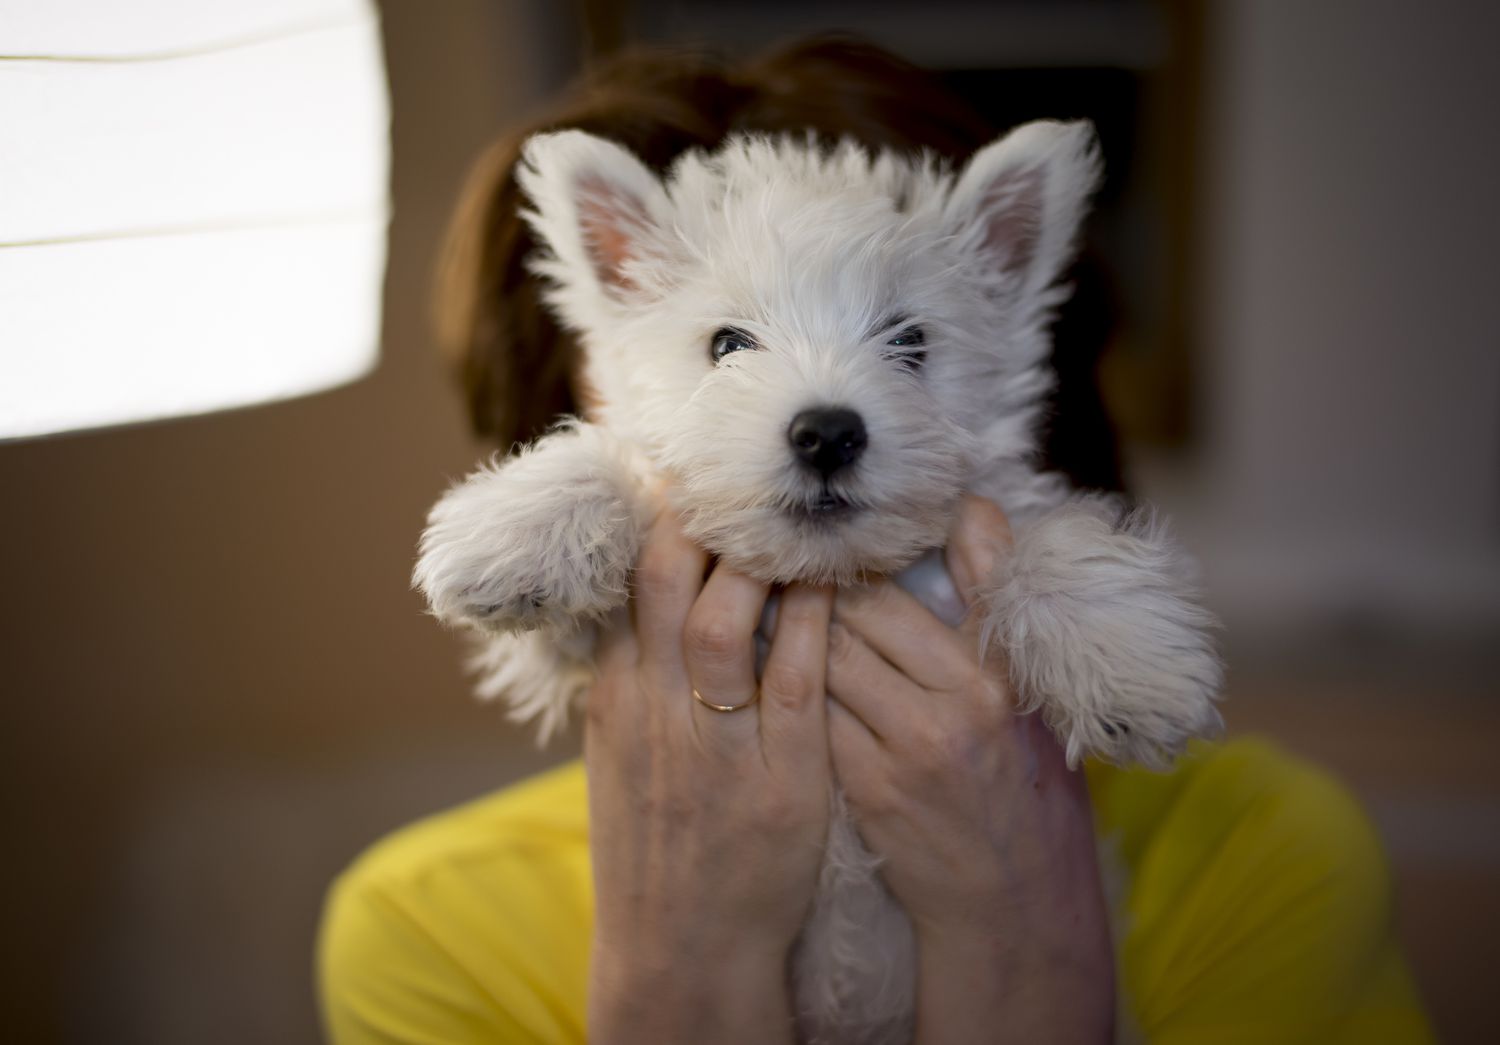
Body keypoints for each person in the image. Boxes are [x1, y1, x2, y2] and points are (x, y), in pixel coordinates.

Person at [317, 39, 1433, 1044]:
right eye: (730, 342)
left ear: (1017, 351)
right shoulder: (426, 927)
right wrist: (679, 975)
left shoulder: (1263, 854)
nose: (822, 405)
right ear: (588, 386)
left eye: (906, 340)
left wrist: (1025, 942)